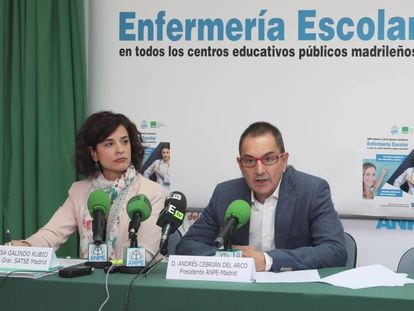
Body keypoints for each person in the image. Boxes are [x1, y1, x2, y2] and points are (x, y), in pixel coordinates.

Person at [176, 121, 347, 272]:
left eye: (269, 159)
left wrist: (267, 261)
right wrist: (231, 258)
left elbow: (335, 251)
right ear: (240, 164)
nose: (259, 170)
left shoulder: (311, 191)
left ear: (284, 160)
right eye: (250, 161)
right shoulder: (225, 194)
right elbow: (186, 246)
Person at [10, 111, 165, 261]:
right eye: (109, 144)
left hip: (134, 282)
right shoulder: (80, 191)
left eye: (125, 141)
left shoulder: (152, 192)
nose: (120, 149)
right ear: (93, 153)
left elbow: (146, 253)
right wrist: (25, 246)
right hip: (91, 282)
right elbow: (52, 234)